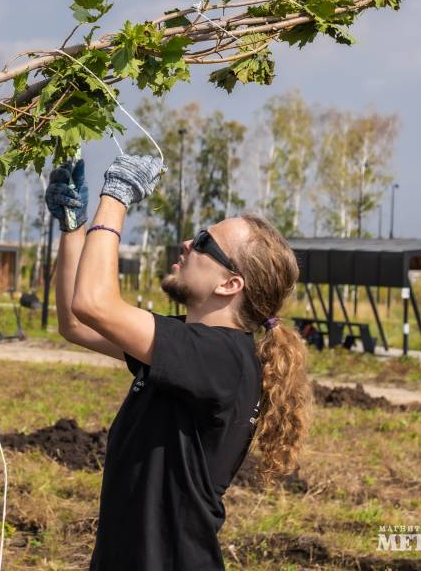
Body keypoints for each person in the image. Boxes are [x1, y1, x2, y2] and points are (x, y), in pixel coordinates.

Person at [46, 155, 312, 570]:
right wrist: (72, 228)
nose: (188, 244)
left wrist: (115, 197)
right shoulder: (197, 349)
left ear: (231, 283)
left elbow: (95, 303)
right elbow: (76, 323)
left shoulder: (219, 358)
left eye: (205, 243)